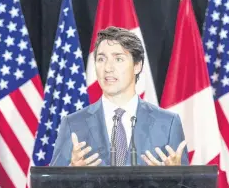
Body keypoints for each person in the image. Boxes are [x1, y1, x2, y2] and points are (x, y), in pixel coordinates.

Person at [50, 26, 188, 168]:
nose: (108, 68)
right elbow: (51, 187)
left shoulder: (168, 123)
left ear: (137, 66)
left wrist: (175, 177)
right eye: (101, 59)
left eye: (118, 59)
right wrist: (71, 171)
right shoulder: (73, 124)